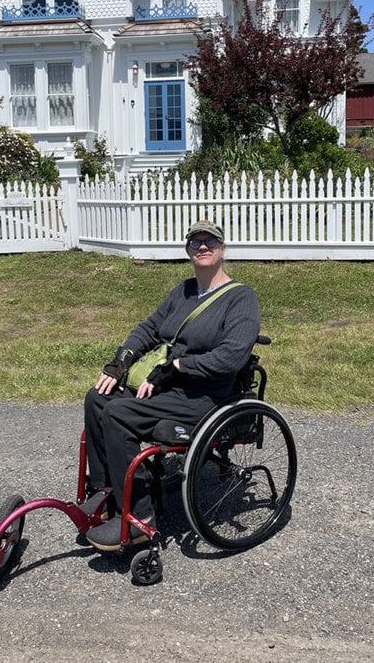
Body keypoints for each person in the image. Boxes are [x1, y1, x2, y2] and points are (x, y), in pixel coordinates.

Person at [82, 220, 261, 550]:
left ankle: (139, 517)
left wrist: (179, 365)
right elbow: (149, 328)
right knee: (97, 398)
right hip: (162, 385)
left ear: (222, 249)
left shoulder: (241, 298)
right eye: (195, 241)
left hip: (203, 394)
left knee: (119, 414)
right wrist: (121, 361)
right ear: (188, 250)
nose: (202, 246)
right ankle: (105, 490)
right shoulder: (183, 291)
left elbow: (231, 358)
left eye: (210, 241)